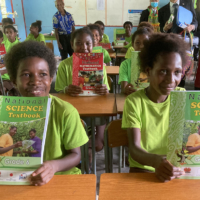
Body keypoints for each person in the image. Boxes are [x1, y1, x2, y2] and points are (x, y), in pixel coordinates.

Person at [4, 41, 88, 186]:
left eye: (43, 74)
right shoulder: (5, 113)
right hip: (18, 180)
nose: (35, 81)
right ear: (14, 81)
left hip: (61, 180)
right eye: (26, 74)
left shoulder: (65, 111)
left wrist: (54, 166)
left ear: (50, 79)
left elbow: (76, 155)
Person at [122, 33, 187, 182]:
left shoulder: (183, 98)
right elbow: (134, 149)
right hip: (142, 172)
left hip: (177, 171)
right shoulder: (134, 102)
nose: (171, 80)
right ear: (148, 71)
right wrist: (155, 162)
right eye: (163, 71)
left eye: (177, 72)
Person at [55, 27, 110, 170]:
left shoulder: (100, 64)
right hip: (73, 113)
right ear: (72, 45)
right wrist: (67, 89)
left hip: (94, 112)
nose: (84, 48)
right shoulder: (65, 65)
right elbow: (59, 93)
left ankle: (90, 150)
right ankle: (80, 154)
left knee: (97, 143)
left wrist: (105, 90)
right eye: (79, 43)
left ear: (94, 45)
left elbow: (107, 93)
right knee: (71, 143)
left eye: (88, 44)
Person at [119, 28, 153, 95]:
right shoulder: (125, 64)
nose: (141, 46)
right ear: (132, 45)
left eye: (145, 43)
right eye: (137, 43)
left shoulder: (155, 63)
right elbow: (123, 89)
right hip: (133, 97)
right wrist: (126, 90)